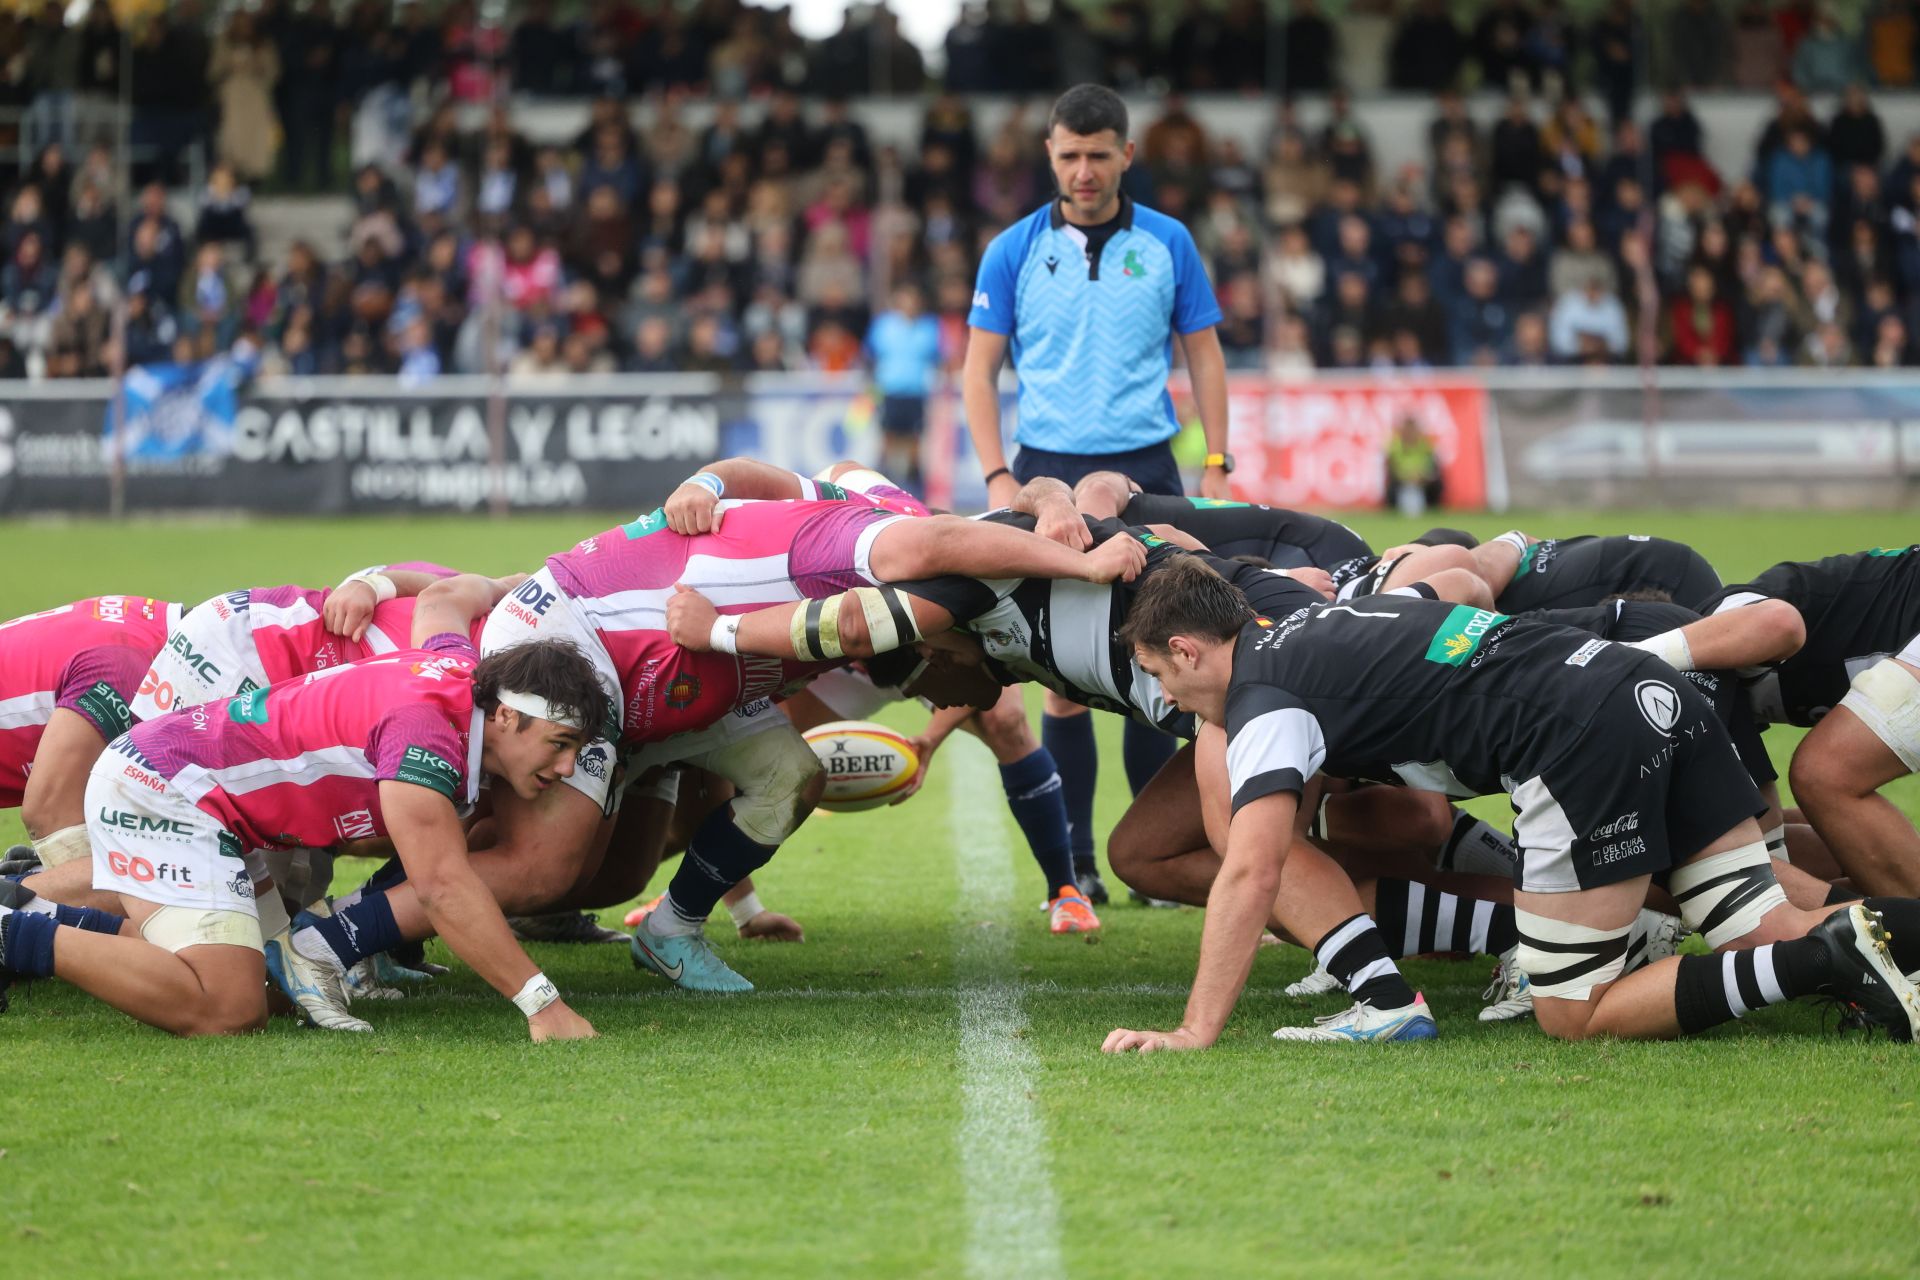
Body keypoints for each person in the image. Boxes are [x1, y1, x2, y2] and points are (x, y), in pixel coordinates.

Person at [1100, 557, 1920, 1053]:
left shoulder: (1263, 697)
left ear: (1188, 649)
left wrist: (1194, 1028)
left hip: (1578, 738)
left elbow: (1251, 870)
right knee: (1763, 922)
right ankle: (1865, 940)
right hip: (1649, 687)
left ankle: (1832, 954)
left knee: (1573, 1014)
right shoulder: (1319, 625)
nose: (1170, 701)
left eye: (1162, 677)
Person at [0, 600, 608, 1041]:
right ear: (505, 717)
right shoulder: (426, 734)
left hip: (202, 798)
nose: (567, 765)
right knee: (228, 1009)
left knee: (265, 988)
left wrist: (482, 582)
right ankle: (13, 936)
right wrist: (542, 1004)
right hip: (169, 791)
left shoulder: (457, 670)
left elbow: (443, 601)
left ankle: (33, 910)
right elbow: (442, 887)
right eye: (560, 743)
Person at [962, 86, 1231, 905]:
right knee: (1061, 675)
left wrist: (1216, 461)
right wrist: (998, 477)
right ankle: (1077, 858)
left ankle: (1155, 862)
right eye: (1070, 155)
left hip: (1148, 467)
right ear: (1049, 154)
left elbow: (1205, 358)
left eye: (1099, 154)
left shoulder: (1170, 242)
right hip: (1045, 471)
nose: (1084, 170)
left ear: (1126, 155)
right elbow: (978, 370)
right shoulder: (1012, 249)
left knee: (1167, 663)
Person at [864, 282, 941, 495]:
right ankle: (879, 488)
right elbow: (869, 356)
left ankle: (917, 489)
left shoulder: (929, 327)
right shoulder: (884, 326)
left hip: (915, 392)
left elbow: (939, 358)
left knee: (914, 442)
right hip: (890, 390)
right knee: (887, 439)